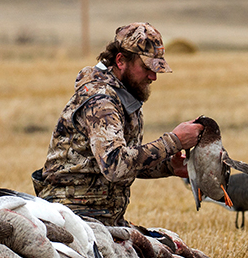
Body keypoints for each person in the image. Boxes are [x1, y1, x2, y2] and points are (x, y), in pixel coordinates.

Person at [32, 22, 202, 226]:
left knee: (177, 251)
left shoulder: (124, 97)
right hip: (73, 219)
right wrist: (173, 142)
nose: (153, 76)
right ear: (121, 61)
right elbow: (115, 165)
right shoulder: (101, 101)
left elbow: (124, 161)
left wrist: (169, 166)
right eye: (147, 67)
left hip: (101, 218)